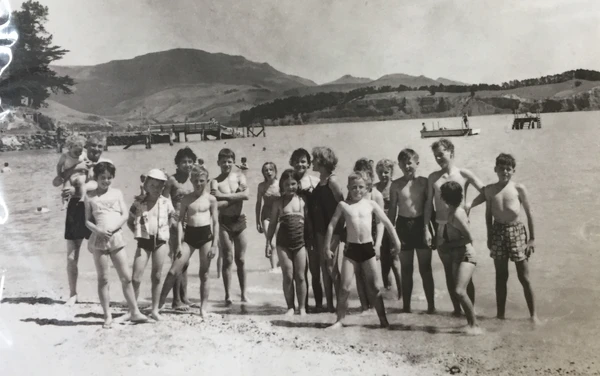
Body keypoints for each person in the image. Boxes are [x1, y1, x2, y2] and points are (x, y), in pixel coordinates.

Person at [325, 171, 402, 329]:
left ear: (367, 188)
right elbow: (332, 225)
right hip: (351, 250)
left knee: (374, 288)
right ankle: (339, 320)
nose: (357, 190)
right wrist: (327, 247)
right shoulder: (344, 205)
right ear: (348, 187)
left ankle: (383, 321)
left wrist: (397, 242)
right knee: (345, 287)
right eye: (354, 187)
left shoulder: (371, 204)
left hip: (368, 250)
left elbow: (387, 223)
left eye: (361, 187)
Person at [472, 153, 540, 323]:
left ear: (513, 171)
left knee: (523, 277)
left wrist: (532, 238)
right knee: (501, 276)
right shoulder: (489, 190)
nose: (505, 172)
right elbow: (488, 216)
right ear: (495, 169)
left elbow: (529, 213)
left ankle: (533, 315)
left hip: (516, 231)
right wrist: (489, 237)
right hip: (497, 232)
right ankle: (500, 315)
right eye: (501, 168)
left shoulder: (518, 188)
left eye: (508, 169)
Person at [84, 162, 148, 328]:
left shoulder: (117, 193)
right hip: (99, 240)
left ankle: (134, 311)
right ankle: (107, 316)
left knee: (126, 277)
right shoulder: (90, 196)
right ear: (96, 178)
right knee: (103, 279)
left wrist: (113, 228)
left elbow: (125, 214)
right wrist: (98, 230)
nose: (106, 181)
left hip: (116, 237)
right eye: (102, 178)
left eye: (109, 177)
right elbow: (86, 221)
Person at [424, 139, 484, 316]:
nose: (438, 158)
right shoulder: (433, 178)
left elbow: (486, 191)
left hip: (459, 228)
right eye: (435, 155)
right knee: (449, 272)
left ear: (451, 152)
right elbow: (429, 204)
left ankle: (470, 313)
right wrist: (426, 229)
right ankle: (457, 311)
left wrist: (469, 205)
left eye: (441, 154)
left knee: (465, 274)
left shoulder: (463, 174)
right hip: (441, 228)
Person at [160, 165, 219, 317]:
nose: (198, 184)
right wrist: (179, 244)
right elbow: (180, 221)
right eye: (195, 181)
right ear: (191, 181)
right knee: (173, 270)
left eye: (202, 181)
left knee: (204, 274)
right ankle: (159, 304)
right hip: (190, 237)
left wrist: (214, 245)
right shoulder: (186, 198)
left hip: (206, 236)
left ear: (207, 180)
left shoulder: (211, 199)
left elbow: (216, 223)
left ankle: (203, 308)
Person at [61, 135, 107, 306]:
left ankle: (105, 293)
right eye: (93, 145)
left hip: (97, 210)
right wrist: (68, 187)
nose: (96, 149)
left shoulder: (106, 164)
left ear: (103, 148)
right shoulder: (76, 159)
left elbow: (103, 185)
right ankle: (73, 293)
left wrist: (75, 189)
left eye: (99, 146)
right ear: (87, 147)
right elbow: (61, 176)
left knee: (101, 254)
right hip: (75, 208)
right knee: (72, 255)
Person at [388, 149, 435, 313]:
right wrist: (391, 232)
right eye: (403, 163)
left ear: (417, 163)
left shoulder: (424, 182)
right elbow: (392, 209)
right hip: (402, 226)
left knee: (425, 268)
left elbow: (429, 206)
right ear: (399, 165)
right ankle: (406, 307)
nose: (407, 166)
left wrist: (427, 228)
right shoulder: (396, 185)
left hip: (421, 224)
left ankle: (431, 307)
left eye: (410, 162)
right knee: (406, 268)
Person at [129, 169, 176, 321]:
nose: (156, 188)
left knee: (156, 276)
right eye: (153, 185)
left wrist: (167, 233)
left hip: (160, 242)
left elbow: (172, 219)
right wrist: (138, 232)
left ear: (163, 187)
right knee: (136, 277)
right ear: (146, 185)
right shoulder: (138, 203)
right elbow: (130, 221)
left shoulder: (166, 202)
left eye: (159, 186)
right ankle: (134, 310)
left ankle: (155, 309)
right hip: (143, 242)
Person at [438, 181, 482, 335]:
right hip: (458, 255)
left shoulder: (456, 214)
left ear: (443, 198)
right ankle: (470, 323)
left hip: (466, 255)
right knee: (460, 291)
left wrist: (447, 246)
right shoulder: (456, 210)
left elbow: (469, 237)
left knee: (459, 291)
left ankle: (475, 325)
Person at [266, 169, 308, 315]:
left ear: (298, 184)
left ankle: (302, 308)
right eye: (287, 184)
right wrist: (268, 242)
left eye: (293, 184)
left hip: (300, 242)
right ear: (282, 186)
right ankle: (290, 307)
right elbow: (272, 224)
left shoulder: (302, 200)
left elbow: (309, 223)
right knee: (288, 275)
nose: (290, 187)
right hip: (282, 243)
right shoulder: (279, 202)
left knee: (301, 276)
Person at [210, 148, 250, 304]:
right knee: (227, 259)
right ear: (218, 163)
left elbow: (246, 195)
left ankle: (244, 294)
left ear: (233, 162)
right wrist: (236, 197)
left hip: (239, 221)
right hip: (224, 223)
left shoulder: (240, 177)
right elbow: (215, 204)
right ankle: (228, 295)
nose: (226, 164)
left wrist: (223, 196)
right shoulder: (215, 181)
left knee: (241, 259)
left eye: (229, 161)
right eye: (223, 161)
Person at [311, 146, 345, 312]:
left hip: (332, 229)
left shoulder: (332, 181)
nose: (312, 161)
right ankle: (330, 305)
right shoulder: (321, 181)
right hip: (320, 229)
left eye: (314, 159)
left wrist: (340, 229)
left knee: (331, 267)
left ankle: (341, 303)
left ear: (322, 162)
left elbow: (342, 204)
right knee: (325, 268)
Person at [162, 147, 196, 310]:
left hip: (191, 223)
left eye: (190, 161)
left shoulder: (193, 178)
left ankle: (184, 296)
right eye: (184, 162)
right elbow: (164, 200)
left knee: (186, 262)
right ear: (177, 163)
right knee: (177, 259)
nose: (187, 165)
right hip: (176, 223)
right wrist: (171, 219)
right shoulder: (172, 180)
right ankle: (175, 301)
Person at [351, 158, 385, 313]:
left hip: (370, 239)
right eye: (359, 175)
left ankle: (374, 306)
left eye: (366, 176)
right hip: (354, 239)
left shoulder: (375, 195)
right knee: (358, 273)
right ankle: (364, 306)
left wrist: (378, 244)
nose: (363, 179)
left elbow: (380, 222)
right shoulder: (353, 192)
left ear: (371, 177)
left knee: (372, 277)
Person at [289, 148, 322, 311]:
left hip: (313, 229)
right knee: (300, 271)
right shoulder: (289, 181)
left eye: (303, 161)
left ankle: (319, 304)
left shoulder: (315, 181)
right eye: (296, 161)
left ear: (309, 164)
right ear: (291, 163)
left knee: (315, 271)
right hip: (296, 231)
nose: (299, 164)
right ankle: (303, 305)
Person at [374, 159, 401, 295]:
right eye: (380, 172)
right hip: (379, 228)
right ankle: (388, 291)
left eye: (386, 172)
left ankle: (402, 293)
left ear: (391, 172)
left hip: (392, 227)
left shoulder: (395, 186)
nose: (383, 175)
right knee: (384, 261)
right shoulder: (374, 188)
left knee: (395, 260)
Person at [255, 162, 280, 272]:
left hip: (279, 217)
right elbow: (258, 204)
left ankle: (280, 265)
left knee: (280, 243)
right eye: (266, 170)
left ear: (275, 171)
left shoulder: (281, 184)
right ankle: (273, 269)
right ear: (263, 173)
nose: (269, 172)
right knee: (271, 243)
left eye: (271, 169)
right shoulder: (261, 186)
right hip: (266, 216)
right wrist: (257, 221)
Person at [53, 134, 90, 205]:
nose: (79, 153)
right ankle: (65, 204)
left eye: (80, 150)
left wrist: (88, 164)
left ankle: (82, 197)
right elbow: (59, 165)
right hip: (68, 177)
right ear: (70, 148)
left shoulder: (83, 154)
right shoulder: (65, 156)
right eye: (76, 151)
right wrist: (59, 175)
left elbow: (87, 162)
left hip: (80, 174)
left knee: (81, 182)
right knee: (66, 189)